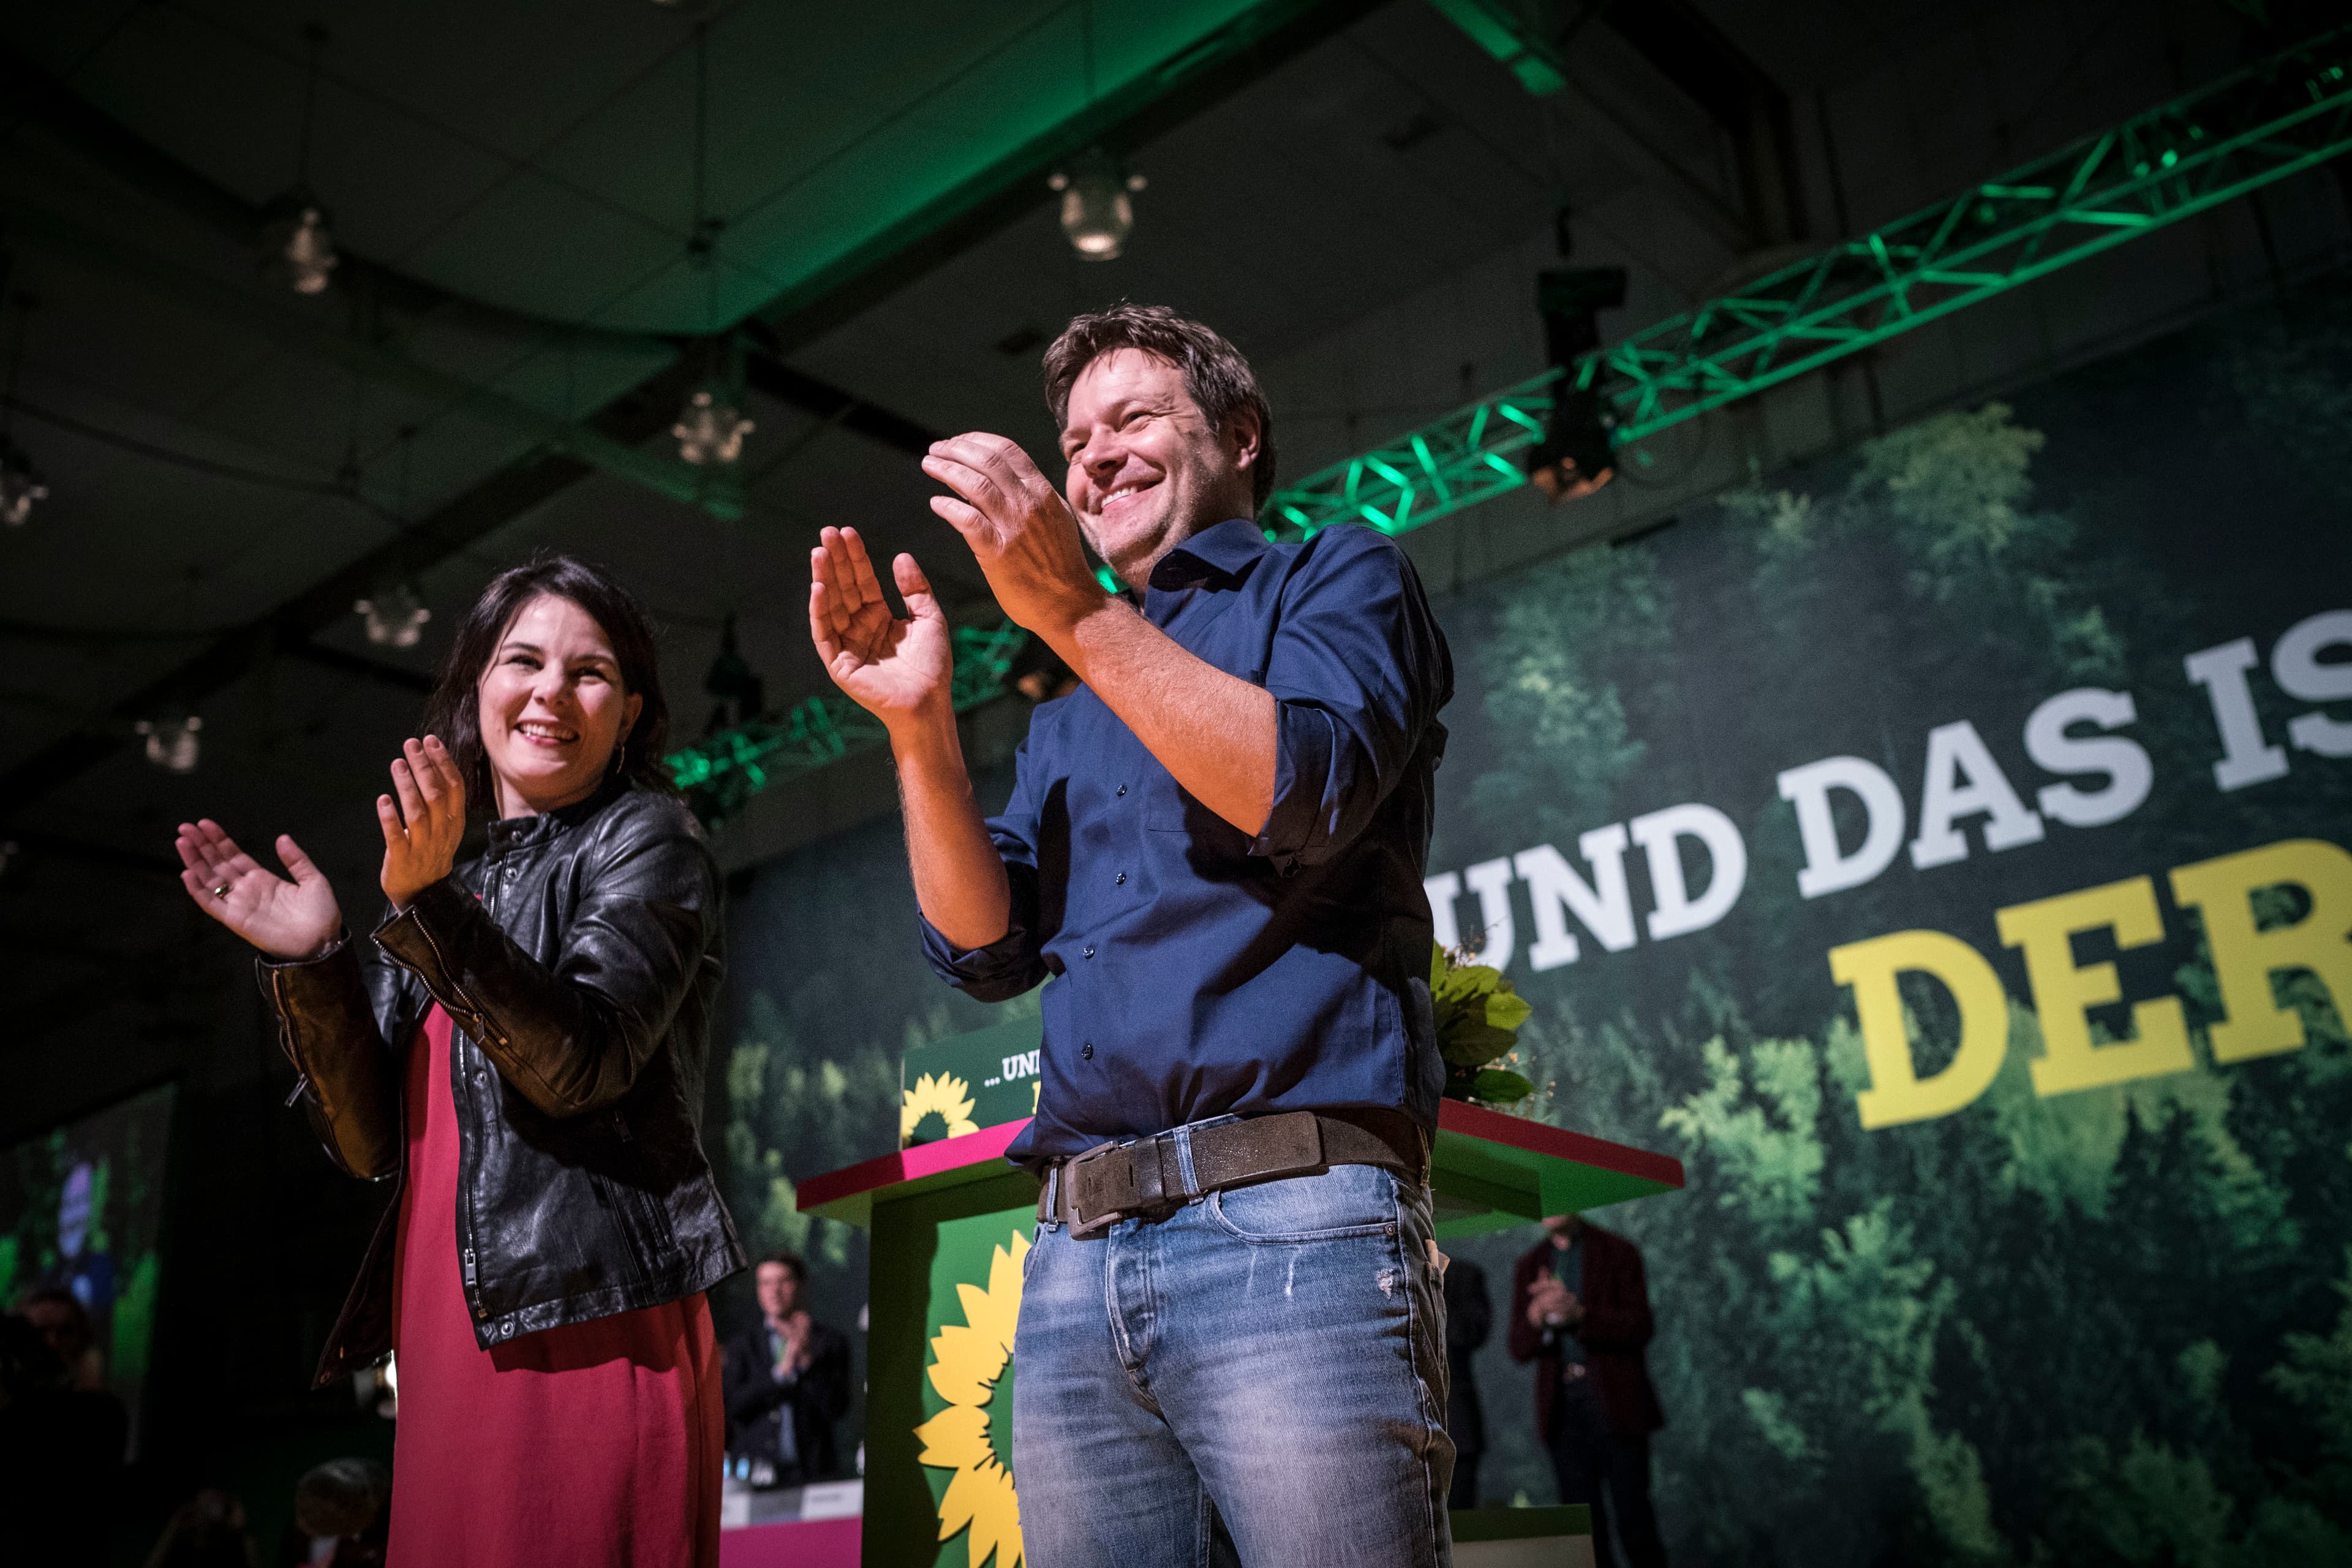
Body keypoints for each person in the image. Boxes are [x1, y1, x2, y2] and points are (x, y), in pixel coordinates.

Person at [809, 303, 1457, 1566]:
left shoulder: (1336, 574)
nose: (1095, 454)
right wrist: (920, 725)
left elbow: (1305, 785)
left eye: (1134, 419)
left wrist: (1074, 615)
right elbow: (984, 945)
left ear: (1242, 435)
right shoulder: (1065, 710)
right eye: (1074, 437)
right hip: (1074, 1251)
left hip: (1296, 1220)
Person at [173, 554, 744, 1568]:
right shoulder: (456, 888)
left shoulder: (649, 839)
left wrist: (428, 906)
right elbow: (365, 1143)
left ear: (631, 713)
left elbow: (583, 1065)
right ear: (476, 686)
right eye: (522, 661)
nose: (551, 694)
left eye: (591, 672)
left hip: (589, 1325)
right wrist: (314, 963)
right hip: (448, 1345)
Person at [1509, 1214, 1667, 1568]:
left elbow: (1640, 1327)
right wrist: (1536, 1315)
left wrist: (1579, 1314)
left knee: (1635, 1518)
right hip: (1563, 1409)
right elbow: (1518, 1348)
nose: (1551, 1208)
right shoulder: (1531, 1264)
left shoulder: (1618, 1252)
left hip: (1616, 1404)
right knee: (1584, 1529)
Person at [722, 1253, 852, 1485]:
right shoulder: (742, 1346)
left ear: (800, 1285)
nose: (775, 1290)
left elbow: (837, 1408)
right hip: (754, 1474)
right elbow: (733, 1406)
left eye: (783, 1281)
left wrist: (805, 1361)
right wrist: (779, 1375)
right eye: (766, 1283)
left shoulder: (830, 1342)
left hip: (815, 1473)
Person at [1443, 1257, 1493, 1510]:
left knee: (1461, 1523)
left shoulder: (1463, 1275)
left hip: (1457, 1425)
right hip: (1390, 1431)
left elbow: (1473, 1332)